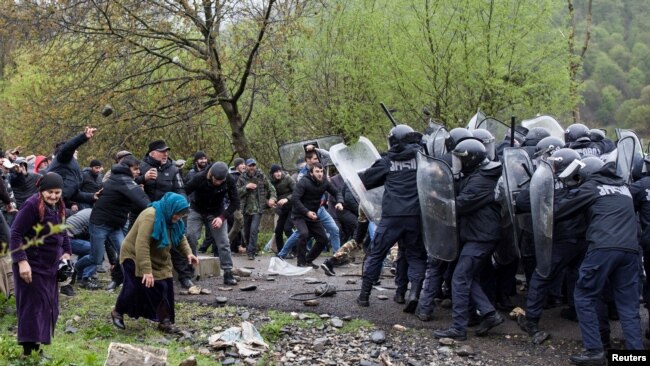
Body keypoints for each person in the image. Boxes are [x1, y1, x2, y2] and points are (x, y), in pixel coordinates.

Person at [553, 160, 643, 365]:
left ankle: (595, 352)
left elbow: (560, 211)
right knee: (628, 305)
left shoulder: (592, 187)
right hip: (630, 251)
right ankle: (635, 355)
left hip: (603, 248)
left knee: (584, 296)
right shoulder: (624, 188)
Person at [433, 138, 505, 340]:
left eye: (460, 159)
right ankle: (489, 314)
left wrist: (435, 203)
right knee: (467, 276)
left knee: (459, 277)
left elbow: (460, 205)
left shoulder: (482, 180)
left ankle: (458, 328)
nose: (457, 163)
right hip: (477, 234)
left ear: (471, 159)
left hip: (481, 237)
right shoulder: (477, 174)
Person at [357, 124, 427, 310]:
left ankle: (364, 296)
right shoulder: (422, 158)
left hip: (392, 217)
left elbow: (366, 180)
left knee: (377, 254)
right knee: (415, 257)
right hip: (415, 215)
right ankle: (413, 294)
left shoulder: (387, 160)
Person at [111, 192, 198, 333]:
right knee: (134, 286)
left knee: (165, 288)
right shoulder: (150, 216)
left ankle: (165, 321)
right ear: (171, 208)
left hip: (158, 256)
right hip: (133, 254)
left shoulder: (173, 219)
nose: (178, 217)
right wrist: (146, 271)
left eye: (181, 215)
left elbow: (180, 236)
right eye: (177, 214)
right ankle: (117, 312)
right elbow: (142, 244)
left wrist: (188, 253)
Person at [9, 172, 72, 357]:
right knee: (32, 307)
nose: (53, 196)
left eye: (57, 192)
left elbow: (63, 232)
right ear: (42, 190)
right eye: (50, 192)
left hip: (50, 267)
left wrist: (66, 252)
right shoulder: (31, 205)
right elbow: (15, 233)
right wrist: (21, 261)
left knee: (47, 306)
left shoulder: (59, 206)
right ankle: (28, 352)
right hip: (31, 265)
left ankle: (37, 349)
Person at [76, 156, 150, 290]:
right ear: (127, 169)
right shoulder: (122, 180)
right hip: (100, 224)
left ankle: (127, 282)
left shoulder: (124, 179)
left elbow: (134, 199)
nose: (138, 172)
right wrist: (155, 208)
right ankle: (76, 268)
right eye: (135, 169)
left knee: (125, 253)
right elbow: (142, 200)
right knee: (95, 259)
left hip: (115, 225)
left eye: (139, 169)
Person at [137, 139, 193, 289]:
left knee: (175, 242)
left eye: (166, 151)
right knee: (137, 244)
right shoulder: (141, 166)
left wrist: (181, 206)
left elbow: (181, 190)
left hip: (169, 215)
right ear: (152, 153)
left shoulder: (174, 169)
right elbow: (130, 185)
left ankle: (185, 277)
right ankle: (120, 278)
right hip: (145, 213)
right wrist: (143, 178)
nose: (165, 154)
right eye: (162, 151)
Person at [185, 162, 239, 285]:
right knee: (191, 236)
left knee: (223, 242)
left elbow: (235, 202)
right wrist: (181, 208)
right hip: (197, 210)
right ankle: (189, 268)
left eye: (222, 181)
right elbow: (183, 191)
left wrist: (222, 217)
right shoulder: (199, 178)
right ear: (211, 175)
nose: (219, 183)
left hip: (217, 212)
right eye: (217, 180)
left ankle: (227, 272)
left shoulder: (229, 180)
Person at [292, 162, 343, 267]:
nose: (320, 174)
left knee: (323, 239)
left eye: (321, 171)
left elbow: (337, 192)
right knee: (304, 234)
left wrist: (339, 202)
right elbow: (295, 199)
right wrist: (307, 212)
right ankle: (300, 262)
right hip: (300, 214)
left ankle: (308, 260)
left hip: (313, 215)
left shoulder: (324, 182)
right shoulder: (303, 182)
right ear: (311, 173)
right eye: (317, 171)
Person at [47, 127, 99, 211]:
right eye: (75, 150)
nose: (77, 151)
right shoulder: (63, 158)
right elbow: (67, 148)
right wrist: (83, 137)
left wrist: (92, 196)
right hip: (51, 201)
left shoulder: (72, 165)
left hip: (59, 203)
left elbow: (73, 192)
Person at [237, 158, 277, 260]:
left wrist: (272, 198)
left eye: (253, 165)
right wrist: (246, 187)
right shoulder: (242, 178)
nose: (252, 167)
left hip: (258, 209)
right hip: (246, 209)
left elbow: (271, 188)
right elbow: (236, 193)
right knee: (246, 232)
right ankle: (250, 248)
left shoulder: (261, 176)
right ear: (246, 166)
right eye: (250, 165)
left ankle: (251, 253)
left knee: (254, 230)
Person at [269, 164, 295, 254]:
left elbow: (297, 192)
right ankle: (280, 252)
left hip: (293, 207)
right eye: (276, 172)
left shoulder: (288, 178)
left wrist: (287, 199)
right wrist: (271, 201)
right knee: (278, 230)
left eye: (279, 171)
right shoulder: (270, 182)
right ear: (272, 174)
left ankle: (296, 250)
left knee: (287, 228)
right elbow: (268, 194)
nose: (278, 173)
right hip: (282, 209)